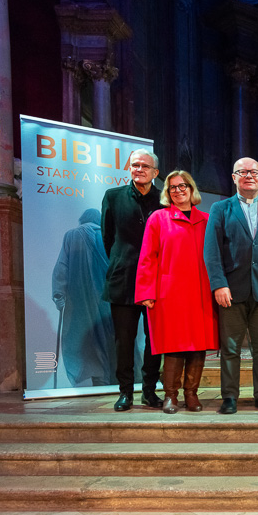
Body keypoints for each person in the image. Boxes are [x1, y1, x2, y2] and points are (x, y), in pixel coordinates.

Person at [204, 157, 258, 414]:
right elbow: (211, 251)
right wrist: (219, 284)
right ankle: (229, 396)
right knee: (231, 348)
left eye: (254, 172)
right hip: (231, 289)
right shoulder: (220, 209)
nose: (249, 176)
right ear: (234, 178)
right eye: (243, 172)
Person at [135, 171, 219, 414]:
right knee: (174, 344)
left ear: (192, 189)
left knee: (198, 344)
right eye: (172, 187)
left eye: (183, 186)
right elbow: (147, 257)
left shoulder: (207, 220)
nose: (178, 190)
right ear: (167, 192)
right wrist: (146, 291)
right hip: (169, 293)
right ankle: (170, 395)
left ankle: (191, 394)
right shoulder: (158, 218)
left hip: (201, 292)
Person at [101, 148, 163, 411]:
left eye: (145, 166)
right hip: (123, 280)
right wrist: (122, 262)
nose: (139, 169)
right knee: (124, 341)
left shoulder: (165, 199)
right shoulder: (113, 196)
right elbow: (107, 238)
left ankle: (149, 391)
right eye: (135, 165)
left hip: (156, 283)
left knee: (155, 340)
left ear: (155, 172)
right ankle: (125, 392)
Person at [51, 208, 116, 387]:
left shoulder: (72, 235)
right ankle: (108, 377)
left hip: (79, 299)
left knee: (83, 338)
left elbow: (62, 266)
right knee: (107, 335)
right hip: (106, 298)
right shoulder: (107, 236)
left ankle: (97, 376)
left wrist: (59, 294)